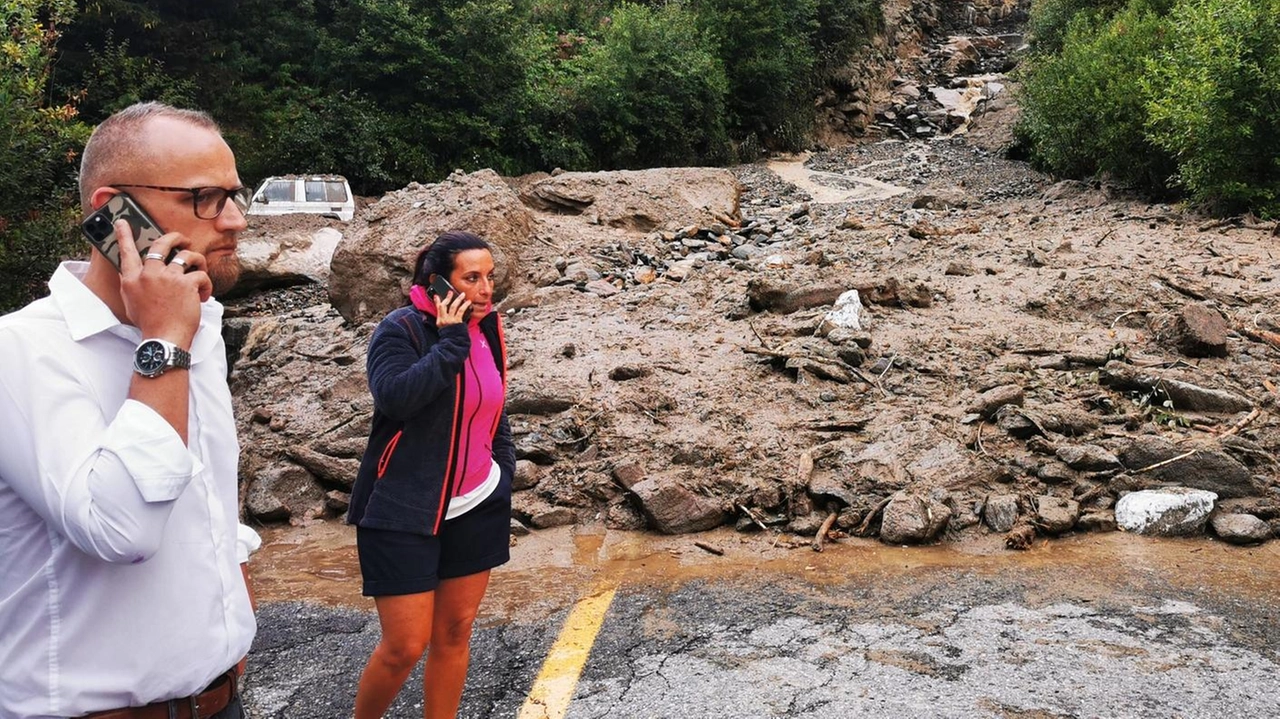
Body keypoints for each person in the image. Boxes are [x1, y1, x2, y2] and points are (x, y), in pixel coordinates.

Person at [0, 102, 259, 719]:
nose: (236, 220)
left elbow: (209, 500)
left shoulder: (198, 327)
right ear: (111, 210)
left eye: (235, 194)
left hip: (220, 702)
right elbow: (121, 530)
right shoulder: (21, 351)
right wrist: (164, 343)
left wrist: (230, 620)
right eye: (205, 198)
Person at [346, 230, 516, 719]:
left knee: (456, 632)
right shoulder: (401, 329)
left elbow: (494, 406)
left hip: (477, 503)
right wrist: (451, 342)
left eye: (489, 277)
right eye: (471, 279)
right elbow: (396, 397)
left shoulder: (490, 327)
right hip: (404, 508)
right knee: (404, 645)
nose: (485, 290)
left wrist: (502, 470)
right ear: (438, 283)